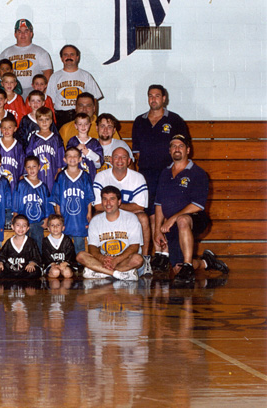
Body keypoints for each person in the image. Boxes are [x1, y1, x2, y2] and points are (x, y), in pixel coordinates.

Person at [153, 135, 229, 282]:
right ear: (169, 151)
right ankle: (206, 263)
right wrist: (158, 230)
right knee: (176, 268)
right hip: (172, 224)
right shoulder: (164, 173)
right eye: (173, 146)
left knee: (182, 220)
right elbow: (159, 204)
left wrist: (173, 218)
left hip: (194, 219)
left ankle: (188, 265)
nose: (177, 149)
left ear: (188, 150)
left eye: (180, 146)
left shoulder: (198, 173)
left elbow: (197, 205)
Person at [132, 84, 190, 224]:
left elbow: (182, 149)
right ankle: (154, 245)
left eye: (157, 96)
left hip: (169, 173)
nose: (153, 99)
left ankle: (167, 245)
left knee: (167, 211)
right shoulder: (140, 121)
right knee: (150, 212)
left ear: (164, 98)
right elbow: (137, 152)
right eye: (150, 96)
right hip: (147, 175)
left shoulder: (175, 120)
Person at [93, 145, 151, 258]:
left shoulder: (138, 177)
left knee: (143, 218)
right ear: (110, 160)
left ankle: (145, 258)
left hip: (127, 214)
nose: (120, 160)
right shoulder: (101, 176)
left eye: (123, 157)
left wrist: (115, 207)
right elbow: (99, 206)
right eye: (116, 157)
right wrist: (118, 208)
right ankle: (99, 258)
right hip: (107, 213)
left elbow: (140, 206)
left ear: (129, 161)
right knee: (96, 217)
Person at [79, 186, 143, 281]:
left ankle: (101, 272)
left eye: (112, 199)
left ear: (119, 202)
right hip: (105, 260)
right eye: (105, 199)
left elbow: (134, 247)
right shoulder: (95, 221)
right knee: (81, 256)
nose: (108, 203)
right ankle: (118, 274)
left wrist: (116, 260)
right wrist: (102, 258)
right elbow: (92, 247)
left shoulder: (131, 218)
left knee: (138, 259)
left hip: (124, 260)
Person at [45, 45, 104, 128]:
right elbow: (50, 102)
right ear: (61, 58)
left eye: (72, 54)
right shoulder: (55, 77)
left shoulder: (86, 76)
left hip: (82, 117)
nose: (69, 57)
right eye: (65, 55)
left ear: (77, 57)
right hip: (61, 118)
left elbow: (94, 99)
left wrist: (94, 120)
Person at [51, 147, 94, 258]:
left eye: (75, 156)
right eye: (69, 156)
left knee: (79, 242)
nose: (72, 158)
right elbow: (56, 197)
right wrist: (58, 213)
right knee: (65, 241)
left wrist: (89, 212)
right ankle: (68, 262)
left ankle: (80, 264)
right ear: (64, 159)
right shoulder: (61, 176)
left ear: (80, 159)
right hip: (65, 214)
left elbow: (89, 196)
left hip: (80, 216)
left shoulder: (85, 176)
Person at [0, 19, 53, 97]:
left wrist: (41, 92)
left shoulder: (41, 52)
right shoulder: (6, 53)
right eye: (19, 32)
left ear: (31, 34)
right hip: (11, 93)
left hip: (33, 92)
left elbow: (48, 73)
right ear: (15, 34)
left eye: (26, 31)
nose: (23, 34)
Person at [13, 155, 52, 252]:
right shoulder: (21, 184)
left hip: (38, 221)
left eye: (34, 166)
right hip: (23, 220)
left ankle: (37, 262)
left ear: (39, 167)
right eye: (28, 167)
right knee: (23, 242)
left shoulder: (43, 186)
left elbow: (47, 204)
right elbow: (16, 200)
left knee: (38, 242)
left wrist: (47, 219)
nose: (31, 169)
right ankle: (23, 261)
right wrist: (15, 215)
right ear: (25, 168)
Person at [24, 107, 65, 192]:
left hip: (52, 173)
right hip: (37, 173)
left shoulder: (56, 138)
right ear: (37, 121)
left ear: (51, 120)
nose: (44, 122)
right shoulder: (34, 138)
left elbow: (60, 157)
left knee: (52, 195)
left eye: (47, 119)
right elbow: (29, 155)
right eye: (41, 120)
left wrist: (59, 172)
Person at [0, 214, 41, 279]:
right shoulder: (9, 242)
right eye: (18, 225)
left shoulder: (31, 242)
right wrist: (0, 263)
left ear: (27, 228)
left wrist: (32, 263)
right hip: (10, 270)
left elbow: (36, 256)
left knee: (35, 272)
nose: (21, 228)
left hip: (25, 271)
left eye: (24, 226)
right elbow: (2, 256)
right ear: (12, 227)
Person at [66, 112, 103, 180]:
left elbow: (98, 164)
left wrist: (89, 153)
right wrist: (76, 150)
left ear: (89, 125)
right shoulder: (72, 141)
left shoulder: (94, 143)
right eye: (80, 124)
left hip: (90, 177)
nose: (83, 126)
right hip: (74, 177)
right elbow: (66, 160)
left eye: (85, 124)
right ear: (75, 126)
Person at [0, 114, 25, 189]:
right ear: (0, 129)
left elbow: (22, 162)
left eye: (9, 128)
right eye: (4, 128)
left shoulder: (18, 146)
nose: (6, 130)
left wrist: (22, 175)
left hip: (14, 178)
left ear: (15, 129)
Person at [41, 214, 79, 279]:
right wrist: (52, 264)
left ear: (63, 228)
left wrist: (66, 263)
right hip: (52, 265)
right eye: (52, 225)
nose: (55, 227)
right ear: (48, 228)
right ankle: (52, 286)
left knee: (67, 273)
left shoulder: (67, 240)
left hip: (65, 264)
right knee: (55, 272)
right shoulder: (45, 241)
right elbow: (45, 256)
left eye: (58, 225)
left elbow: (71, 254)